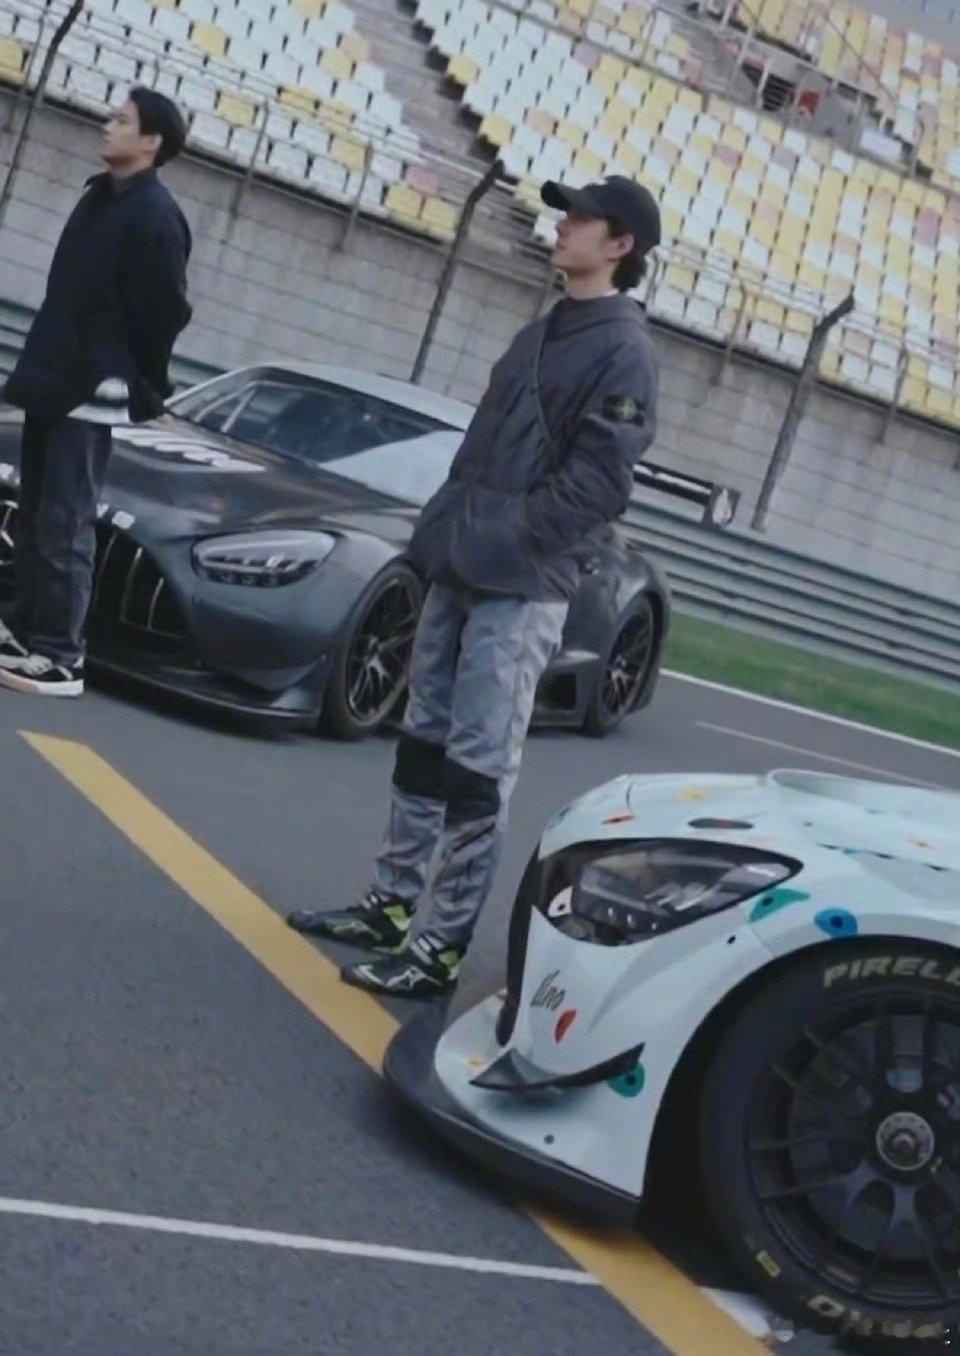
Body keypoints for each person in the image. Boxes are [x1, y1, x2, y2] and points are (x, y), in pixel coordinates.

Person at [288, 176, 661, 999]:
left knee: (478, 768)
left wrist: (504, 536)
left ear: (620, 245)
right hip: (462, 564)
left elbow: (600, 486)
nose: (562, 226)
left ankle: (441, 946)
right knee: (423, 741)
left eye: (582, 218)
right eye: (565, 213)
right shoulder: (545, 329)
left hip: (520, 583)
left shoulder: (624, 349)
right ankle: (391, 904)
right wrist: (446, 531)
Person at [0, 88, 192, 697]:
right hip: (52, 377)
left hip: (89, 388)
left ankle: (61, 654)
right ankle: (25, 631)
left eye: (122, 120)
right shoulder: (98, 197)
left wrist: (137, 378)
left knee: (66, 520)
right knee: (36, 513)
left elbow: (165, 312)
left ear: (151, 142)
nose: (107, 126)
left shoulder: (157, 216)